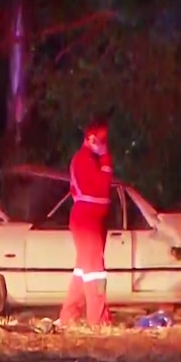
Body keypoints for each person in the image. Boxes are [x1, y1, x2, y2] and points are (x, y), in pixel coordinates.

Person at [58, 118, 113, 328]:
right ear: (90, 139)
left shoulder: (87, 159)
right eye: (102, 140)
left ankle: (69, 316)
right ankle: (97, 320)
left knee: (84, 270)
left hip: (91, 219)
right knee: (95, 271)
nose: (105, 144)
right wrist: (106, 159)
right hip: (88, 220)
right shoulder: (84, 160)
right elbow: (102, 186)